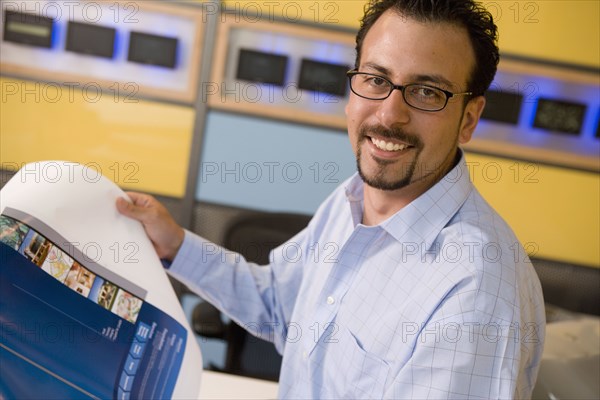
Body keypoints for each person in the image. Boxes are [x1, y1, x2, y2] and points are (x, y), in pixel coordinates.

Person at [117, 0, 546, 398]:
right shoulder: (354, 199)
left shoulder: (476, 291)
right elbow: (278, 307)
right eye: (376, 80)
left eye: (427, 92)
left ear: (468, 119)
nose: (389, 115)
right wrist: (174, 244)